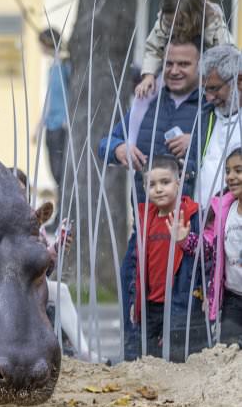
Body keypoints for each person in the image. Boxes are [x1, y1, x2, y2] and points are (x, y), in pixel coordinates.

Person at [99, 37, 207, 360]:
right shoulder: (145, 104)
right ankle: (135, 368)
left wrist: (198, 140)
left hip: (190, 238)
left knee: (181, 323)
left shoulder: (209, 106)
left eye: (184, 64)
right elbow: (104, 143)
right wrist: (118, 149)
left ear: (200, 67)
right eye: (169, 63)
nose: (174, 71)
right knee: (137, 307)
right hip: (144, 236)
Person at [14, 170, 97, 361]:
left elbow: (42, 269)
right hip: (4, 286)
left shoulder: (34, 221)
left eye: (21, 190)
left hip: (27, 285)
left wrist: (56, 248)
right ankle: (79, 351)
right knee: (58, 291)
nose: (17, 195)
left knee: (60, 291)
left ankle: (82, 352)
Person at [129, 155, 205, 361]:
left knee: (178, 358)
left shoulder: (191, 215)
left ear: (178, 183)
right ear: (144, 187)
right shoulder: (146, 219)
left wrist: (185, 239)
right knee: (148, 357)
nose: (159, 189)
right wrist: (135, 300)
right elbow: (138, 265)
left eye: (165, 182)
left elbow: (206, 254)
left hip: (180, 304)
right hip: (151, 304)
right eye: (152, 184)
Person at [135, 0, 232, 99]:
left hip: (206, 79)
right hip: (176, 83)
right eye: (170, 24)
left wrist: (218, 81)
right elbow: (153, 49)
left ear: (195, 17)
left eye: (180, 24)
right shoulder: (165, 20)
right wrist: (149, 75)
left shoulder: (213, 22)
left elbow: (225, 54)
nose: (175, 27)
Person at [201, 147, 242, 344]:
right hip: (233, 297)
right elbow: (208, 248)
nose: (231, 177)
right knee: (228, 351)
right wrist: (185, 239)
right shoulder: (225, 210)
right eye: (227, 171)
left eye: (238, 170)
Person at [196, 44, 242, 207]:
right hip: (201, 224)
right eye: (205, 90)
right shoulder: (203, 117)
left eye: (215, 88)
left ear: (239, 80)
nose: (209, 97)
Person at [37, 28, 71, 217]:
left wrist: (67, 119)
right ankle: (60, 212)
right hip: (51, 124)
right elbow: (50, 98)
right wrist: (39, 124)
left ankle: (62, 214)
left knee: (61, 172)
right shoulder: (52, 67)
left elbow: (70, 95)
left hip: (62, 125)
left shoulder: (66, 65)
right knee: (54, 169)